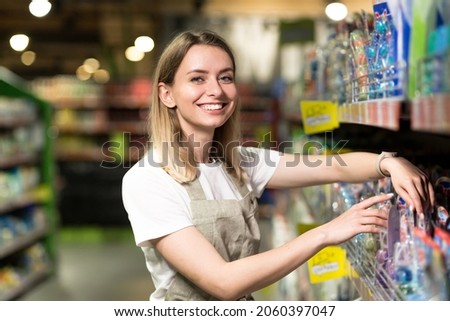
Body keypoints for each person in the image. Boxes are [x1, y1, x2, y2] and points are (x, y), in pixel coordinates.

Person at [121, 30, 435, 301]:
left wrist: (390, 162)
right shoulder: (149, 180)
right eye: (197, 78)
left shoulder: (239, 162)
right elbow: (223, 283)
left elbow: (333, 167)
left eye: (226, 77)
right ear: (167, 94)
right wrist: (325, 233)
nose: (216, 90)